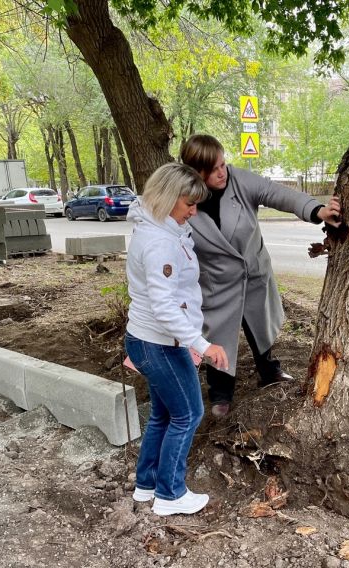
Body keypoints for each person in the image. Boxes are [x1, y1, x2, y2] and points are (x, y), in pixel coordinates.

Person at [179, 134, 341, 417]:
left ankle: (269, 371)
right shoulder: (182, 199)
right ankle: (220, 393)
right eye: (214, 169)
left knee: (261, 329)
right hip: (216, 283)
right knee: (218, 337)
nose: (222, 172)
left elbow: (278, 194)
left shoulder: (239, 181)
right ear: (197, 173)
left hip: (252, 273)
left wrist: (317, 210)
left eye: (223, 164)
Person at [124, 162, 229, 516]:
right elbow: (164, 307)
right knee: (188, 414)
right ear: (169, 199)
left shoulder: (157, 228)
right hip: (160, 344)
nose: (193, 211)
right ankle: (170, 494)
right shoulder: (159, 243)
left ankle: (147, 484)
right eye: (189, 204)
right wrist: (202, 344)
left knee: (163, 415)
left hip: (147, 340)